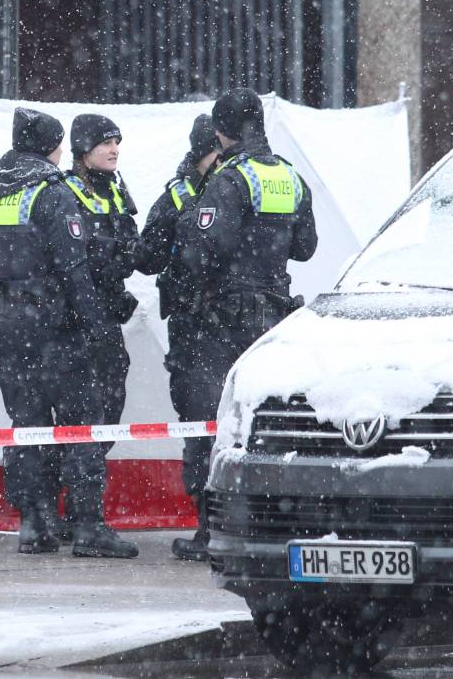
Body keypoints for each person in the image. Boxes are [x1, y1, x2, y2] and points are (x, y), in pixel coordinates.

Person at [0, 107, 139, 558]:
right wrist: (97, 330)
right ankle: (87, 527)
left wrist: (1, 327)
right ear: (51, 147)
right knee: (80, 426)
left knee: (27, 427)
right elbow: (74, 270)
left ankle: (34, 523)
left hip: (12, 335)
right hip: (59, 331)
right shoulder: (54, 194)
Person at [173, 88, 318, 561]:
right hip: (273, 318)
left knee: (212, 420)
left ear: (221, 131)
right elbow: (305, 248)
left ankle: (211, 530)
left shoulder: (228, 180)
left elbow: (207, 249)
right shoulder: (291, 178)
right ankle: (272, 524)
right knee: (269, 421)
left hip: (222, 319)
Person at [130, 114, 223, 561]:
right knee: (201, 427)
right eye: (218, 153)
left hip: (224, 328)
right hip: (193, 329)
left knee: (219, 427)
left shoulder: (233, 188)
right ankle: (208, 525)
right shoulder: (178, 195)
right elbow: (145, 258)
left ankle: (226, 526)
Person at [57, 114, 139, 534]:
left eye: (116, 141)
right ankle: (81, 515)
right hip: (80, 321)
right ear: (83, 150)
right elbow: (77, 259)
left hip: (107, 317)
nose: (113, 149)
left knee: (108, 408)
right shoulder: (68, 192)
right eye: (105, 142)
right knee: (85, 413)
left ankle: (77, 505)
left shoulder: (117, 190)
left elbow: (130, 245)